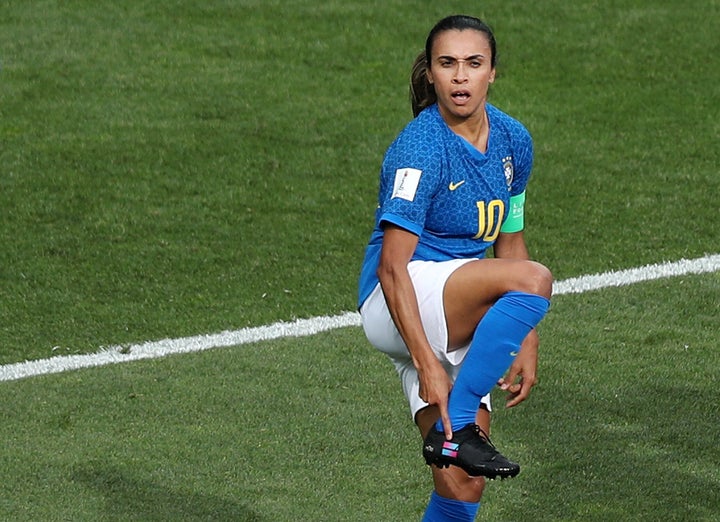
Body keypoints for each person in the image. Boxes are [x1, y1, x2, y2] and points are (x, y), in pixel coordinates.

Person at [357, 15, 553, 521]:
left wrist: (523, 336)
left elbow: (510, 237)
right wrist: (426, 364)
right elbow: (391, 268)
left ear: (493, 72)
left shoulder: (513, 140)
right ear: (431, 75)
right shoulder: (420, 148)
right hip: (400, 302)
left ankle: (455, 434)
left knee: (462, 484)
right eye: (447, 64)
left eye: (473, 64)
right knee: (536, 278)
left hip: (452, 306)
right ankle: (461, 418)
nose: (461, 76)